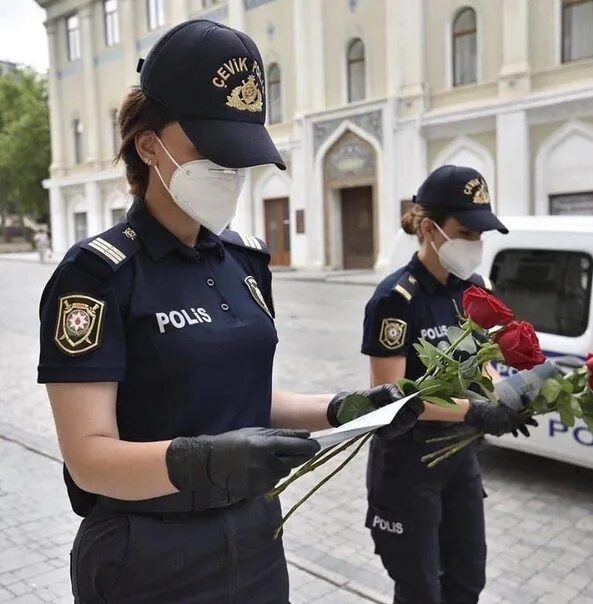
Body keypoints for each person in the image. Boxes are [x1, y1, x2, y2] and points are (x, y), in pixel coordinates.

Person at [37, 20, 422, 603]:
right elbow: (89, 458)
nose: (229, 173)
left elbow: (241, 396)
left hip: (255, 536)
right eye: (211, 152)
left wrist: (343, 407)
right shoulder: (98, 275)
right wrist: (207, 460)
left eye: (238, 157)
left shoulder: (244, 262)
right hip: (147, 552)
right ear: (148, 144)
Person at [361, 165, 538, 604]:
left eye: (481, 236)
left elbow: (484, 362)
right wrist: (474, 410)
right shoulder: (395, 299)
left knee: (467, 581)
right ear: (428, 228)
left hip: (460, 459)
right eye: (466, 232)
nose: (475, 245)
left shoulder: (473, 290)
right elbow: (393, 398)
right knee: (421, 591)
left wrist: (504, 399)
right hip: (409, 467)